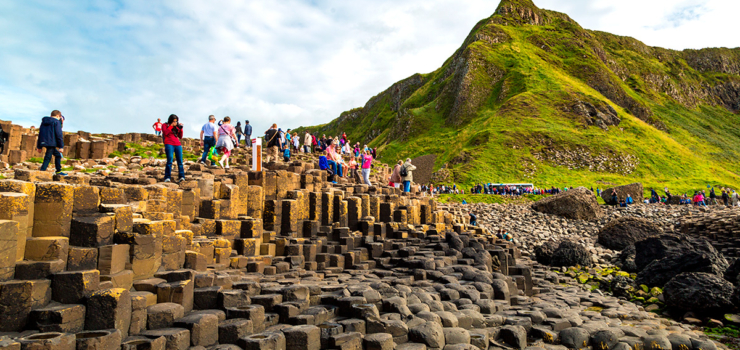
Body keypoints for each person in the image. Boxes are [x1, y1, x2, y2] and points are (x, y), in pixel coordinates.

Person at [37, 110, 67, 176]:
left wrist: (39, 146)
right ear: (57, 116)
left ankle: (58, 170)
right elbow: (59, 134)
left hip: (44, 141)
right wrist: (61, 146)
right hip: (51, 142)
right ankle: (42, 171)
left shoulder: (44, 122)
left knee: (58, 155)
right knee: (48, 157)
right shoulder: (56, 122)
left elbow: (40, 134)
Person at [162, 114, 185, 182]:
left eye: (176, 121)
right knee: (169, 161)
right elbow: (165, 133)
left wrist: (181, 128)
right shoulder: (165, 125)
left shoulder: (177, 127)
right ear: (171, 121)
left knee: (180, 161)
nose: (175, 122)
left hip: (177, 144)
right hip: (169, 144)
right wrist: (171, 126)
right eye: (174, 121)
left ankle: (181, 176)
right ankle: (167, 177)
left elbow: (180, 136)